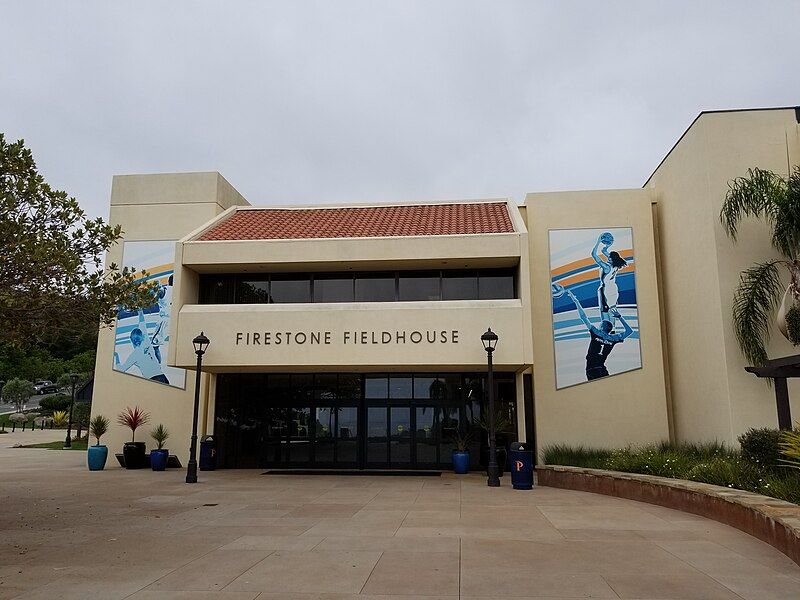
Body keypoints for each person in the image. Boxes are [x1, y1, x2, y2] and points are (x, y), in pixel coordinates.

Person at [564, 288, 633, 381]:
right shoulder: (613, 338)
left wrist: (576, 301)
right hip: (601, 369)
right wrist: (620, 317)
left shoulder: (596, 333)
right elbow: (629, 331)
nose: (599, 324)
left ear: (602, 327)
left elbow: (583, 317)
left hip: (591, 370)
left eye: (601, 323)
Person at [114, 309, 170, 384]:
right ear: (143, 336)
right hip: (163, 377)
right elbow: (142, 323)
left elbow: (121, 370)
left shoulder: (134, 355)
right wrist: (140, 310)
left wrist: (116, 356)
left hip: (152, 380)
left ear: (131, 339)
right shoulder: (146, 342)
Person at [591, 234, 628, 326]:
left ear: (611, 258)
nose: (608, 256)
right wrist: (607, 246)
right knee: (612, 309)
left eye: (609, 256)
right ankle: (613, 329)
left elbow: (593, 254)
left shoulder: (607, 266)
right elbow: (604, 251)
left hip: (606, 290)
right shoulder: (616, 264)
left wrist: (598, 242)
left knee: (604, 311)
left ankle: (606, 331)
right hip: (613, 289)